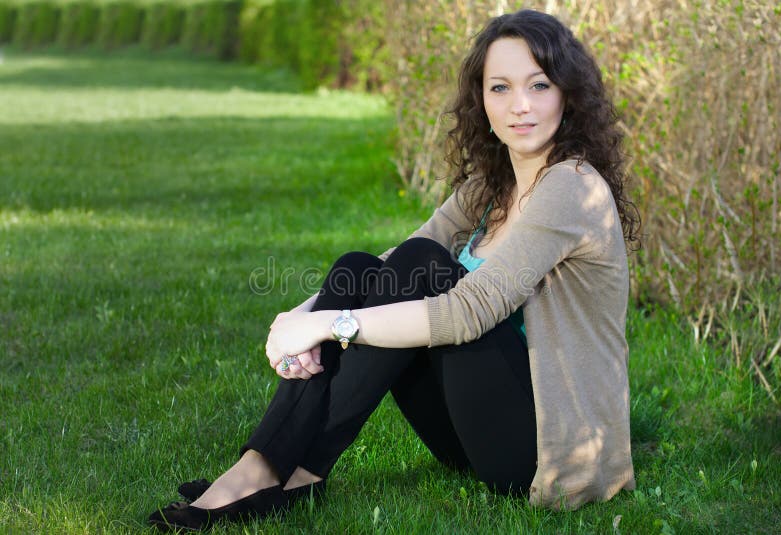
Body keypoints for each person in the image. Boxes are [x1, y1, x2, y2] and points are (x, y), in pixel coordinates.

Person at [148, 8, 640, 531]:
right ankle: (274, 470)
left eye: (538, 85)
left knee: (423, 269)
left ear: (567, 93)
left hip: (544, 453)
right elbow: (392, 263)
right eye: (500, 88)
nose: (520, 105)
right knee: (361, 269)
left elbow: (468, 312)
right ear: (482, 102)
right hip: (471, 432)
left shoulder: (571, 186)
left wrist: (328, 326)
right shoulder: (492, 187)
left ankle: (275, 471)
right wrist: (303, 312)